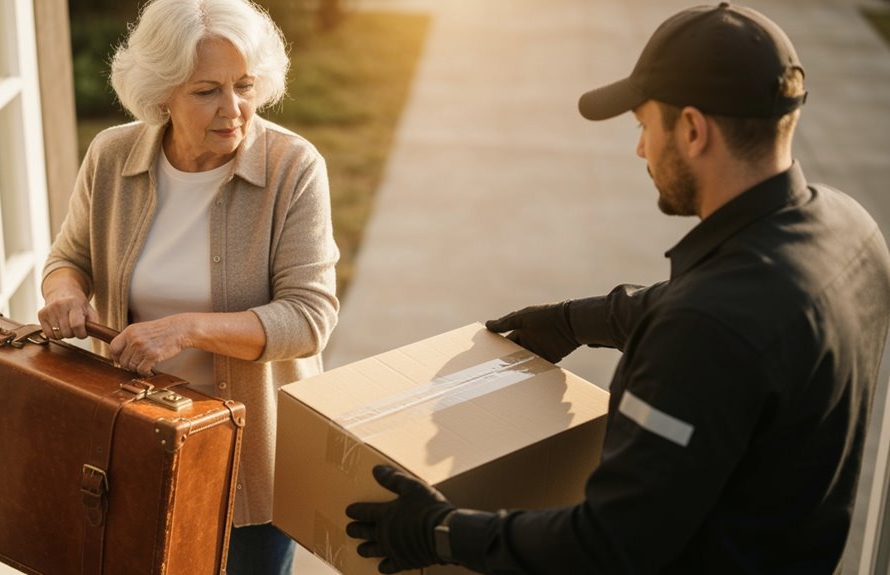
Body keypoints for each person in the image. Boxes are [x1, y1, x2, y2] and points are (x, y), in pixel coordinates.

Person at [344, 3, 890, 573]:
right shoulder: (851, 230)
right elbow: (725, 311)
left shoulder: (707, 328)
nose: (639, 150)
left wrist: (441, 532)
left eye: (643, 127)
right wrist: (572, 320)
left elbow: (608, 545)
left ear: (693, 130)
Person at [38, 0, 339, 573]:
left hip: (250, 461)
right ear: (162, 94)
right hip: (134, 443)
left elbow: (308, 318)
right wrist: (64, 292)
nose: (234, 110)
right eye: (207, 91)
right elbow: (68, 258)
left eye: (245, 85)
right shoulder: (112, 154)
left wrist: (184, 330)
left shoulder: (294, 167)